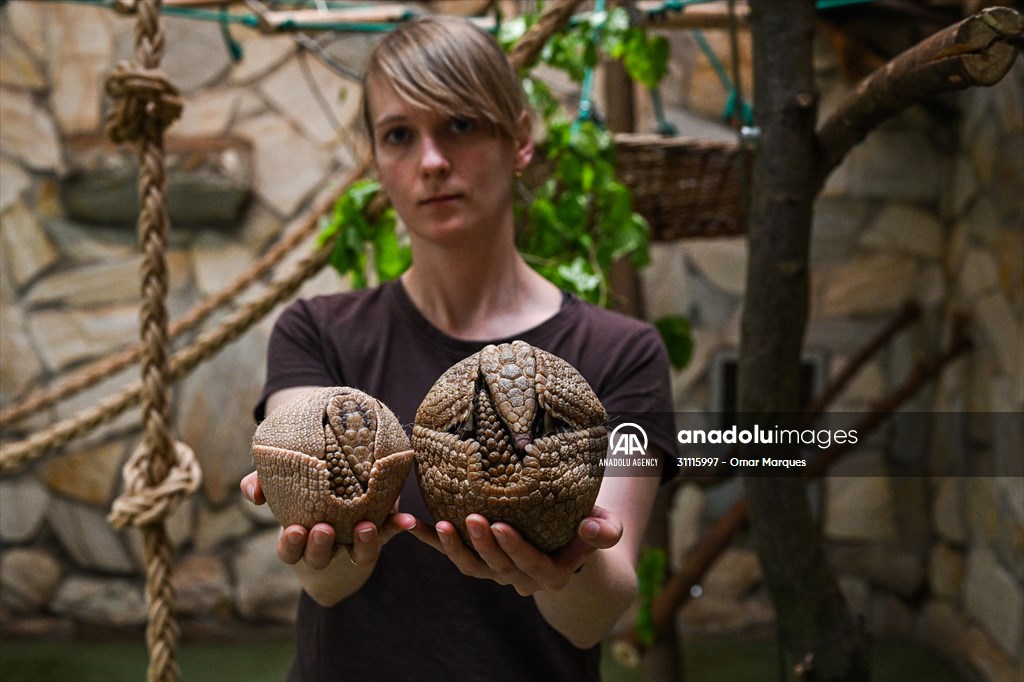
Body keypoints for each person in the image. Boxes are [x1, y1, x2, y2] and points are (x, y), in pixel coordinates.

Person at [240, 15, 676, 681]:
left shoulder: (622, 352)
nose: (432, 161)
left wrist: (563, 569)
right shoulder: (316, 333)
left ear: (520, 139)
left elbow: (597, 609)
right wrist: (321, 548)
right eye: (398, 136)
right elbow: (325, 580)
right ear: (378, 162)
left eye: (461, 126)